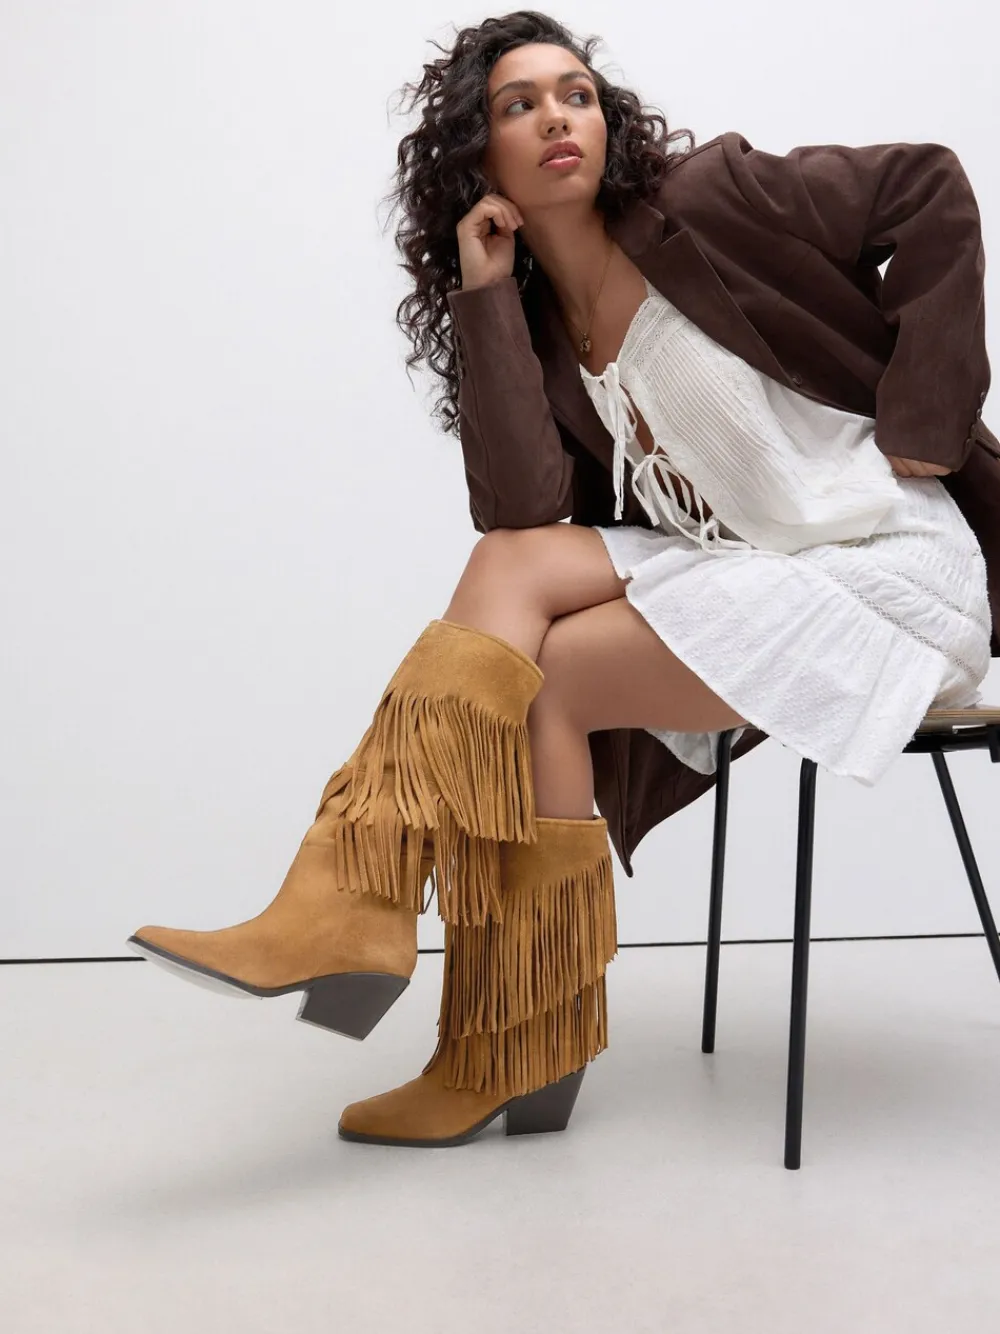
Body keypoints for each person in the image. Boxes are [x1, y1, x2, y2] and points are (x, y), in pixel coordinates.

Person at [126, 12, 994, 1150]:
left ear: (606, 120)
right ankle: (389, 937)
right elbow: (522, 511)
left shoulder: (711, 198)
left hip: (877, 565)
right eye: (518, 104)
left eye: (575, 94)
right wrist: (488, 293)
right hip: (740, 562)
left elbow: (928, 185)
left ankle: (465, 998)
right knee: (510, 569)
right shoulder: (533, 313)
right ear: (475, 156)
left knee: (551, 681)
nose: (555, 117)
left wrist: (925, 413)